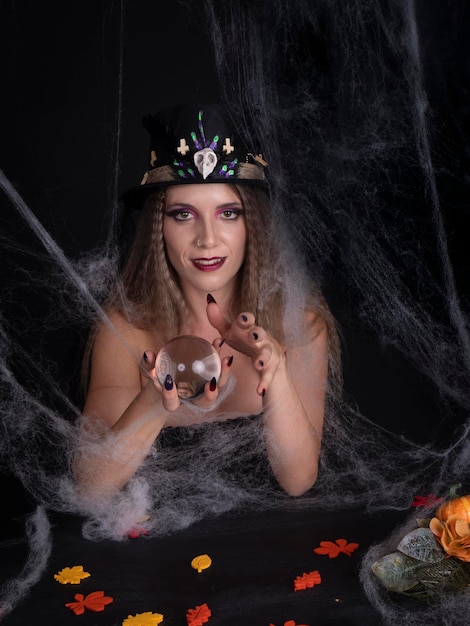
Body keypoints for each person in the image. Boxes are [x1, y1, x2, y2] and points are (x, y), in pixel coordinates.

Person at [72, 104, 340, 503]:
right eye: (183, 215)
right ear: (159, 228)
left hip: (273, 555)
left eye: (229, 213)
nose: (207, 238)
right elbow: (89, 489)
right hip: (152, 560)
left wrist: (276, 374)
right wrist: (154, 401)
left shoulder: (300, 328)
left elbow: (298, 481)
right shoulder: (125, 332)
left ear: (254, 224)